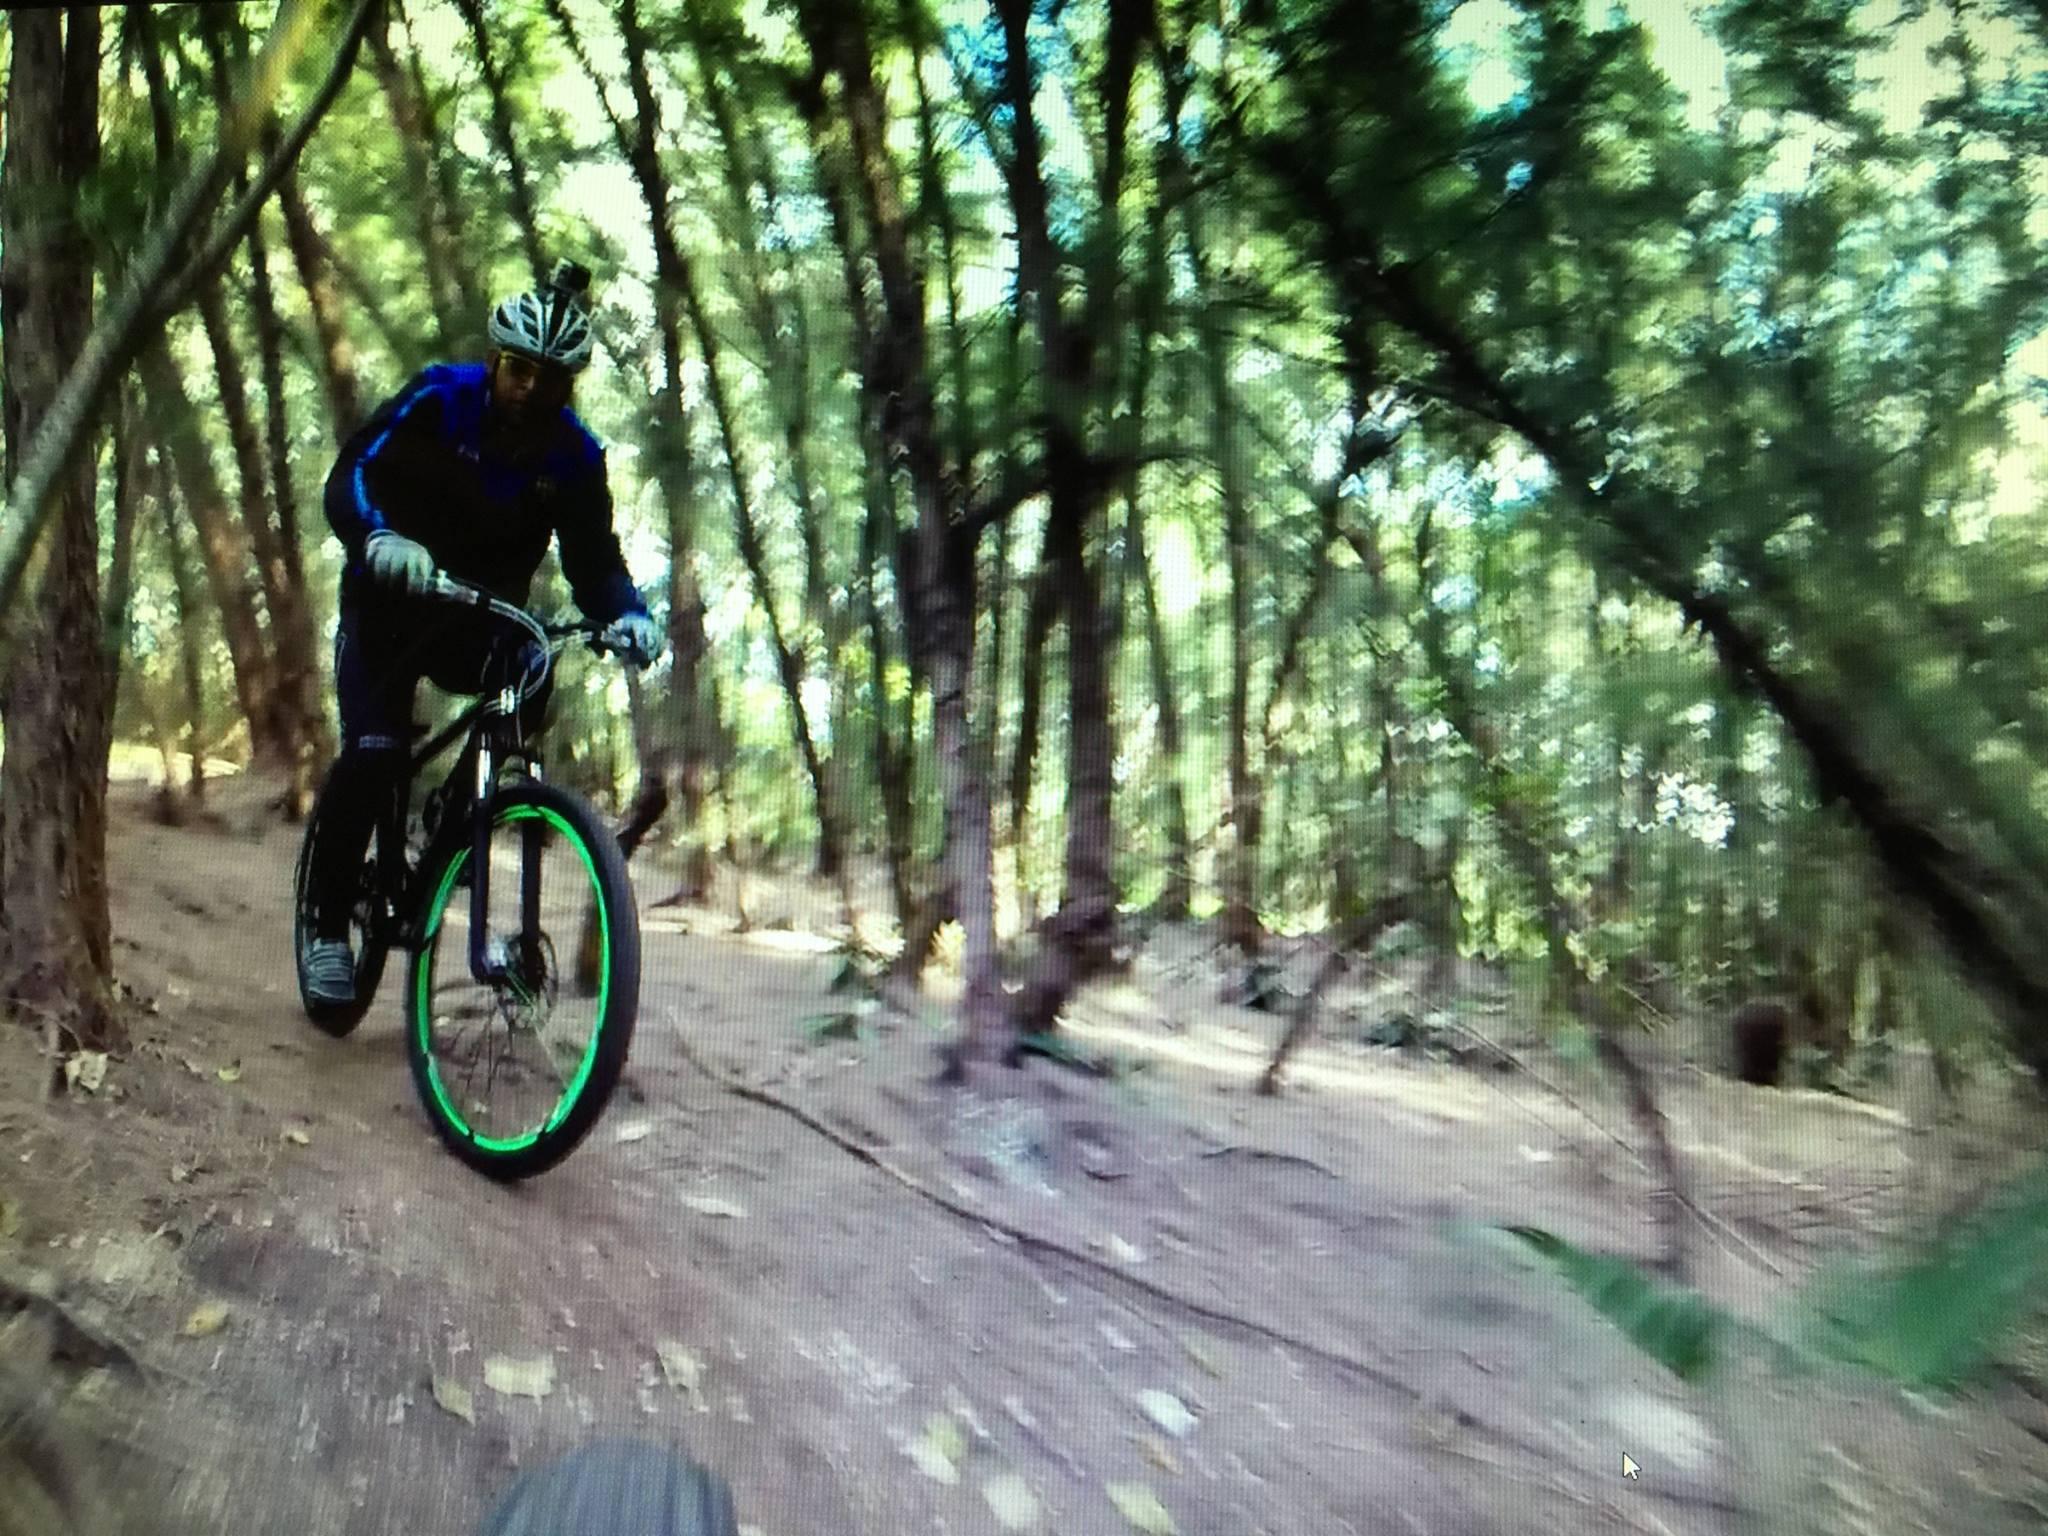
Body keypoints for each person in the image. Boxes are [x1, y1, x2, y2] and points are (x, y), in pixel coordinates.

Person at [301, 259, 662, 1009]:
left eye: (550, 378)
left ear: (569, 384)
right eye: (518, 370)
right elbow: (352, 475)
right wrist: (377, 537)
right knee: (373, 753)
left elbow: (596, 564)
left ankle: (461, 816)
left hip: (481, 621)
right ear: (497, 360)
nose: (529, 388)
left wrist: (628, 612)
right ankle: (327, 924)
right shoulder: (439, 398)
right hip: (390, 606)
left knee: (535, 667)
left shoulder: (574, 456)